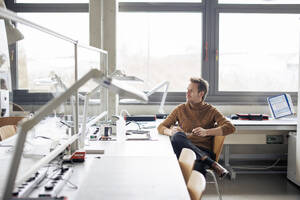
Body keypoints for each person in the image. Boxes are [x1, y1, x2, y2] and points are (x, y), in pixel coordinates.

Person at [157, 77, 236, 178]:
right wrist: (171, 132)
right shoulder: (180, 109)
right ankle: (211, 162)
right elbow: (161, 127)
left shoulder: (211, 110)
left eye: (191, 91)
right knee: (177, 136)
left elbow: (230, 127)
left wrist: (206, 132)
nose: (187, 93)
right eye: (187, 90)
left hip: (203, 150)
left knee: (196, 166)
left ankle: (191, 191)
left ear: (201, 93)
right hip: (184, 149)